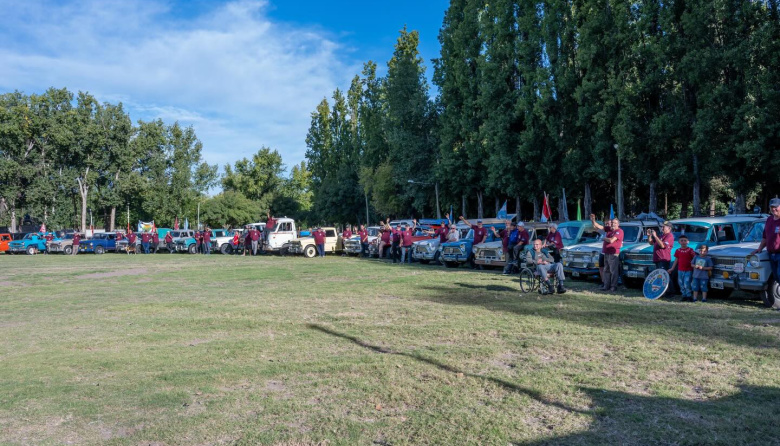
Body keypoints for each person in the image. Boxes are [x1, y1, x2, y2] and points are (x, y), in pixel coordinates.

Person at [751, 197, 780, 293]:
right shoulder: (769, 219)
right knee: (777, 277)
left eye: (776, 207)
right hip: (771, 254)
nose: (773, 209)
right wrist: (759, 249)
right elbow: (765, 237)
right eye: (771, 207)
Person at [591, 215, 623, 292]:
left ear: (618, 224)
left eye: (614, 223)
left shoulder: (619, 231)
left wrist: (603, 238)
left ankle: (613, 286)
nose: (612, 224)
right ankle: (606, 285)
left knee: (613, 270)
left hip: (613, 253)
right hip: (606, 252)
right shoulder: (609, 229)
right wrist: (593, 220)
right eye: (612, 223)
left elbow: (612, 240)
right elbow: (599, 226)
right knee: (606, 270)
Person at [669, 234, 695, 301]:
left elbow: (694, 259)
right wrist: (672, 268)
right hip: (680, 270)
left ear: (688, 242)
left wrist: (695, 267)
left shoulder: (690, 250)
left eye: (685, 240)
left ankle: (689, 296)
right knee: (681, 283)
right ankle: (684, 295)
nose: (683, 242)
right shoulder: (678, 251)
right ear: (679, 242)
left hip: (688, 270)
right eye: (682, 240)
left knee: (687, 283)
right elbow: (676, 260)